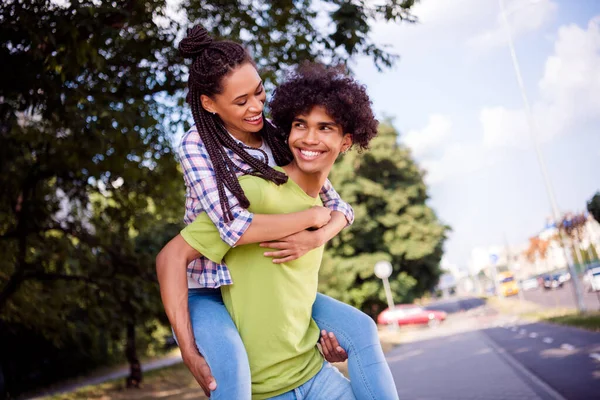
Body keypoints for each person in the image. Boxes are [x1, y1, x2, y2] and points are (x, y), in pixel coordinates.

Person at [156, 25, 398, 399]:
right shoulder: (196, 144)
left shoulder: (273, 133)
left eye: (259, 93)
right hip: (209, 286)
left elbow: (337, 207)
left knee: (362, 330)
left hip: (263, 282)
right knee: (234, 372)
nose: (255, 107)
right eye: (241, 102)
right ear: (209, 103)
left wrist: (315, 237)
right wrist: (309, 219)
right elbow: (233, 228)